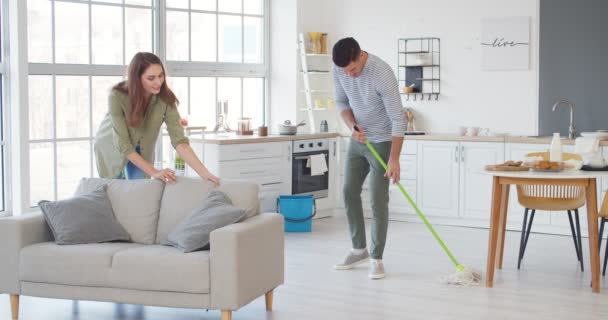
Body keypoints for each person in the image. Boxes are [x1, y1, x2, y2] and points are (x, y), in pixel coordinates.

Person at [331, 38, 405, 279]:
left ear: (361, 55)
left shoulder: (381, 73)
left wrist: (394, 159)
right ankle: (358, 249)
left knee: (377, 199)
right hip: (358, 140)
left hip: (382, 142)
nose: (349, 76)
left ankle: (376, 257)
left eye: (352, 70)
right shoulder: (340, 68)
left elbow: (398, 119)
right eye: (345, 71)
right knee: (348, 191)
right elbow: (341, 102)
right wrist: (352, 126)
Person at [94, 52, 219, 185]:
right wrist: (155, 172)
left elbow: (180, 142)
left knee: (140, 192)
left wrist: (205, 174)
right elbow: (123, 144)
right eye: (151, 78)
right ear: (137, 78)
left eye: (161, 76)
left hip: (141, 148)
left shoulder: (166, 98)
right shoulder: (116, 95)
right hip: (112, 146)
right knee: (116, 193)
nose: (158, 82)